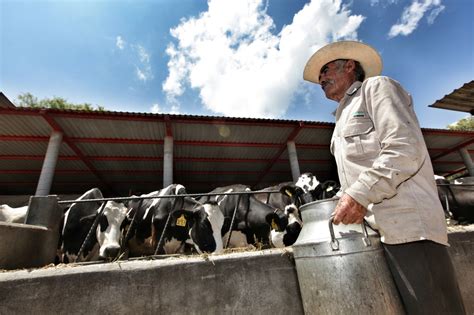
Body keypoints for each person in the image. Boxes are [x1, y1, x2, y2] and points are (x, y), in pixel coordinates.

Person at [303, 40, 465, 314]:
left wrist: (359, 195)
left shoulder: (377, 89)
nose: (321, 78)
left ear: (350, 65)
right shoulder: (340, 120)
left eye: (326, 69)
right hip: (377, 233)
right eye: (319, 76)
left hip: (410, 230)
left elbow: (405, 149)